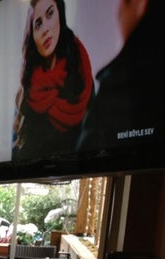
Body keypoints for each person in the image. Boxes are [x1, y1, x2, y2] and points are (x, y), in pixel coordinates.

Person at [76, 0, 164, 153]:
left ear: (139, 3)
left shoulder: (120, 81)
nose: (118, 14)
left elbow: (88, 156)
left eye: (123, 2)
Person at [12, 0, 94, 161]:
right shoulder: (25, 95)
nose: (46, 29)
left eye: (50, 14)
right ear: (32, 36)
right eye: (38, 24)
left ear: (60, 13)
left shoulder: (82, 76)